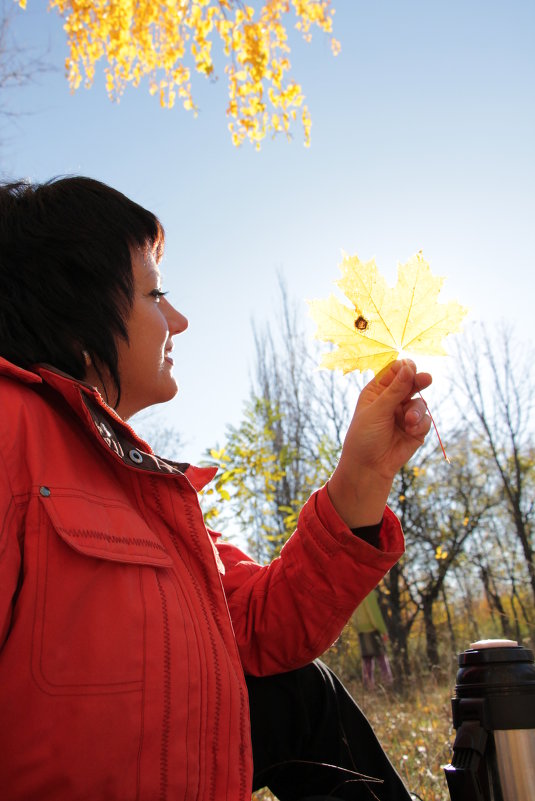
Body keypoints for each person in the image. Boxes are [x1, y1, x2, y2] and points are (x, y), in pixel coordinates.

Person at [0, 176, 432, 801]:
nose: (179, 319)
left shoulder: (147, 487)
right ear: (74, 315)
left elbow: (262, 626)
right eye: (155, 293)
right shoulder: (13, 429)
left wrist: (364, 476)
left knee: (300, 690)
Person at [354, 589, 394, 690]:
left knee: (367, 660)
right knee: (382, 658)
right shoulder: (369, 592)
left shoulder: (357, 591)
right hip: (372, 630)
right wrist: (383, 631)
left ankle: (369, 688)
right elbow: (374, 614)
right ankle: (388, 685)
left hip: (361, 631)